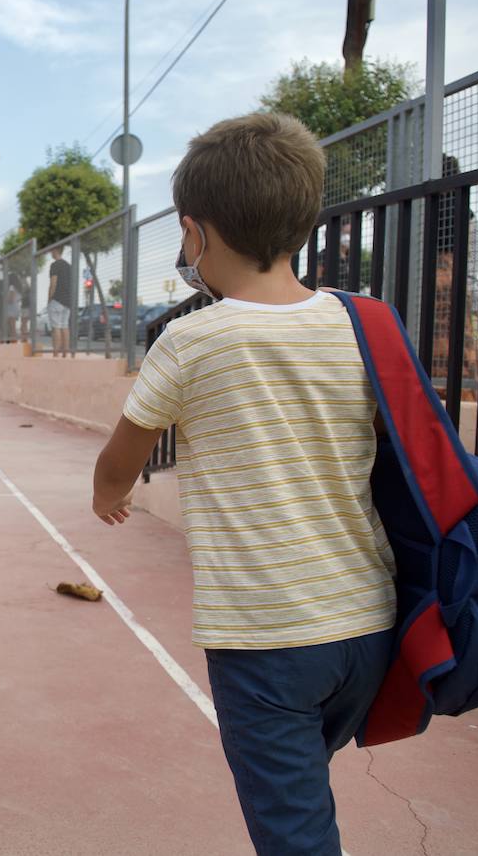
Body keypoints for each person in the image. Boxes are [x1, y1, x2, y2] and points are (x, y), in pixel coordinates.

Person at [90, 113, 396, 856]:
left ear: (193, 235)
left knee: (291, 827)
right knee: (299, 788)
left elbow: (122, 457)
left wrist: (109, 494)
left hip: (266, 638)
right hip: (369, 625)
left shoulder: (193, 338)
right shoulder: (363, 323)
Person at [47, 244, 74, 357]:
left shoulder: (55, 265)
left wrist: (49, 299)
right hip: (68, 301)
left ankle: (56, 353)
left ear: (56, 250)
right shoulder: (68, 266)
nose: (50, 252)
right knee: (64, 325)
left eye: (51, 250)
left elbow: (53, 283)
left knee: (56, 326)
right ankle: (65, 352)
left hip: (57, 299)